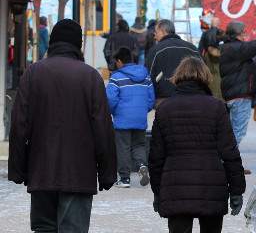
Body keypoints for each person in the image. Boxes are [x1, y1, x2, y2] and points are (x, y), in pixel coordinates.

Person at [9, 19, 117, 232]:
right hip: (79, 174)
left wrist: (18, 168)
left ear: (52, 42)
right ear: (78, 44)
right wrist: (107, 173)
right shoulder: (91, 77)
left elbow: (19, 125)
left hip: (41, 172)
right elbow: (103, 129)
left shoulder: (33, 74)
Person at [149, 57, 246, 233]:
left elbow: (156, 156)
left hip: (176, 185)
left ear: (178, 76)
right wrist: (237, 189)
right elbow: (229, 152)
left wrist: (157, 191)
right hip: (211, 185)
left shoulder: (165, 108)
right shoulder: (216, 107)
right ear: (204, 77)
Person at [106, 47, 155, 188]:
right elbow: (151, 98)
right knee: (139, 145)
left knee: (123, 147)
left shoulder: (116, 77)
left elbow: (110, 99)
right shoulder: (145, 75)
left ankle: (125, 178)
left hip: (122, 120)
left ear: (120, 61)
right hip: (140, 118)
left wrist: (114, 112)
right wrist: (143, 110)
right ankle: (141, 166)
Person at [145, 20, 200, 107]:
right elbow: (202, 73)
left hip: (164, 101)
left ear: (162, 31)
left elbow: (148, 76)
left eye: (155, 32)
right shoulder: (192, 48)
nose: (154, 36)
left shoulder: (156, 50)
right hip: (192, 98)